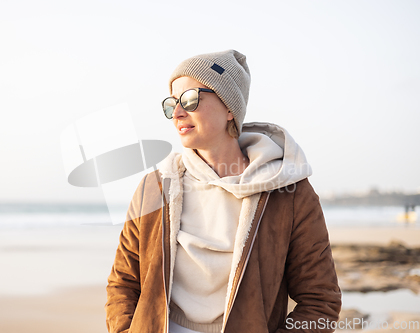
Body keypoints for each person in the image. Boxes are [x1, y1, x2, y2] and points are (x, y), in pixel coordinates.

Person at [105, 50, 341, 333]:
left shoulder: (288, 192)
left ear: (230, 107)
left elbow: (320, 300)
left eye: (190, 99)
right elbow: (123, 283)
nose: (177, 113)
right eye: (171, 104)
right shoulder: (154, 188)